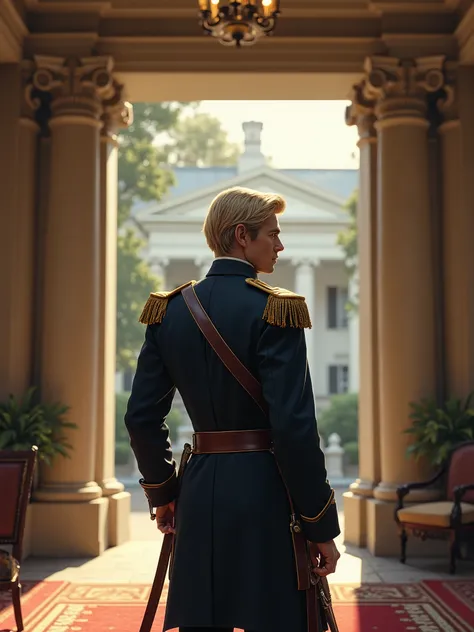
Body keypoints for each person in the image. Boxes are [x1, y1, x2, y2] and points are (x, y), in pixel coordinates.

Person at [125, 186, 341, 632]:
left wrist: (164, 494)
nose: (280, 246)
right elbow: (295, 430)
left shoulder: (169, 312)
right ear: (242, 236)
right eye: (272, 234)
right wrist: (320, 525)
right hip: (266, 494)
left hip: (199, 494)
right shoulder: (277, 310)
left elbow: (142, 417)